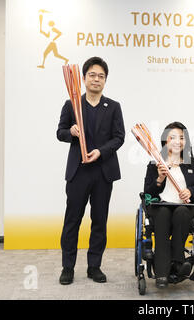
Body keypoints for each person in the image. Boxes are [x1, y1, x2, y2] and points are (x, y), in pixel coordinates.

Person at [56, 56, 125, 285]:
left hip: (103, 172)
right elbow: (60, 132)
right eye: (92, 75)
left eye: (101, 76)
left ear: (105, 80)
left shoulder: (113, 106)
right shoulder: (71, 104)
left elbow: (119, 137)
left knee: (99, 221)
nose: (96, 79)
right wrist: (71, 132)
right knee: (72, 220)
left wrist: (101, 152)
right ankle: (68, 267)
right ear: (84, 78)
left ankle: (94, 266)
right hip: (78, 171)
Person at [143, 122, 194, 289]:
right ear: (165, 141)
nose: (177, 141)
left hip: (185, 208)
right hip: (161, 206)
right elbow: (147, 193)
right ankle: (162, 272)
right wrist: (159, 178)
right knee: (163, 214)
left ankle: (177, 264)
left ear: (185, 141)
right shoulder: (156, 164)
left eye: (181, 138)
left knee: (180, 212)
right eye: (172, 137)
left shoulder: (193, 164)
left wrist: (191, 191)